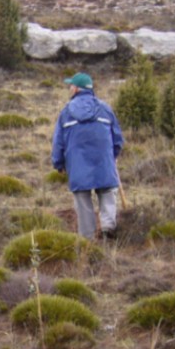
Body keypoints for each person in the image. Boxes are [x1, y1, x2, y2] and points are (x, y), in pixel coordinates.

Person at [51, 72, 124, 240]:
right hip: (103, 162)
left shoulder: (66, 113)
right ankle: (108, 228)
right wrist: (112, 156)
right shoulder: (105, 109)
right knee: (107, 193)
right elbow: (117, 139)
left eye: (71, 85)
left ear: (77, 89)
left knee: (82, 201)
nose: (69, 88)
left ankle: (87, 239)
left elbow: (58, 142)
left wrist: (58, 163)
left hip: (78, 165)